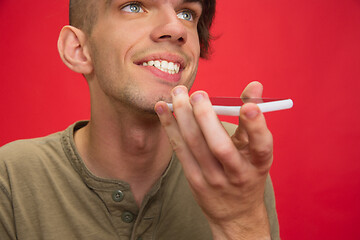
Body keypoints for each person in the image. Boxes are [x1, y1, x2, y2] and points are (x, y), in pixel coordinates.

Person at [0, 0, 280, 239]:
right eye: (134, 6)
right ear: (78, 49)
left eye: (186, 13)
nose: (176, 29)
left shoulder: (234, 161)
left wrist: (242, 222)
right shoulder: (10, 178)